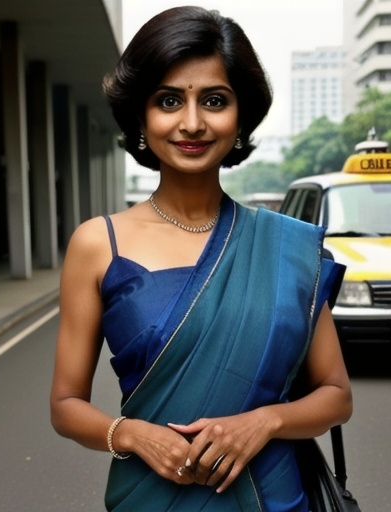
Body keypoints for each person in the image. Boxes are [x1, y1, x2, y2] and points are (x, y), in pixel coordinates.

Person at [50, 6, 353, 511]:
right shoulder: (98, 244)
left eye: (214, 100)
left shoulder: (288, 246)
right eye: (169, 100)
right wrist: (131, 435)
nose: (192, 122)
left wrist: (266, 421)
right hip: (151, 497)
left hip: (272, 498)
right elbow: (65, 406)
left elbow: (337, 394)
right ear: (142, 117)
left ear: (240, 118)